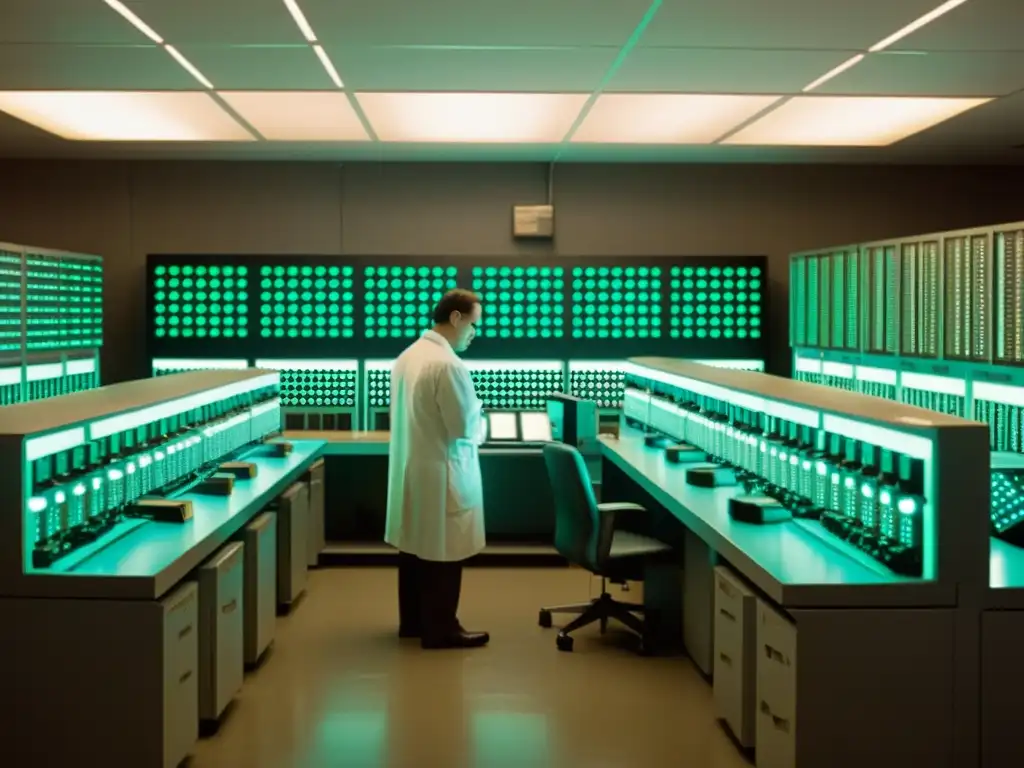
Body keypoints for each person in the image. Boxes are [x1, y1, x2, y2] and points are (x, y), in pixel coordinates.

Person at [385, 288, 490, 649]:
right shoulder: (446, 364)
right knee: (445, 554)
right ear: (456, 318)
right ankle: (442, 628)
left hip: (415, 471)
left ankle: (413, 622)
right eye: (474, 324)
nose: (475, 333)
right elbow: (464, 427)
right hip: (442, 473)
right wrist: (482, 417)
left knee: (415, 550)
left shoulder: (409, 355)